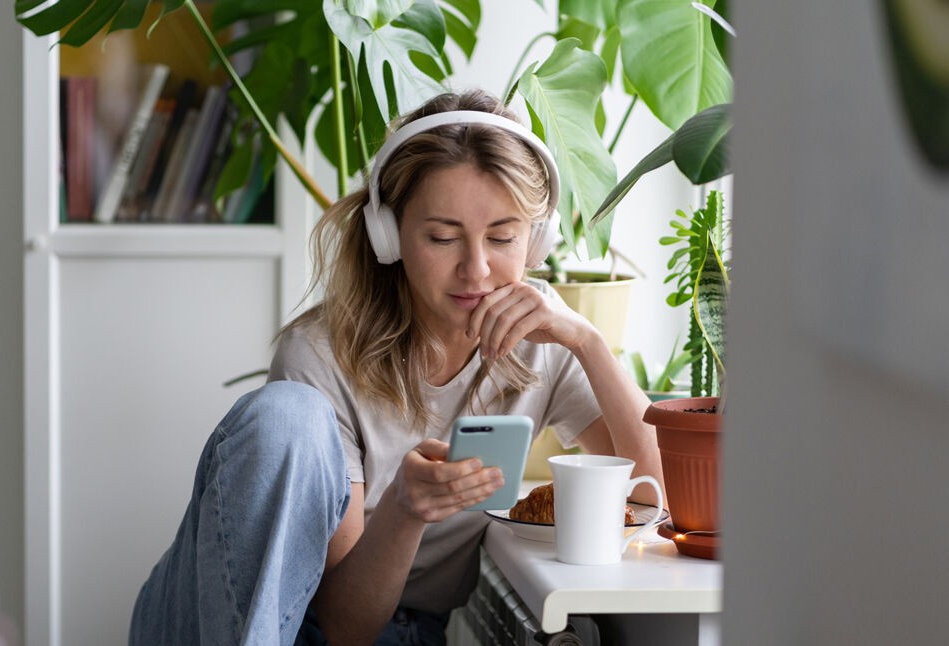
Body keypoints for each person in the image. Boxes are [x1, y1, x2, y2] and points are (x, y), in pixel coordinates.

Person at [129, 89, 665, 645]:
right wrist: (406, 510)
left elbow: (659, 495)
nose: (476, 269)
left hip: (394, 630)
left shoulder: (542, 345)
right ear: (389, 236)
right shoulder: (320, 355)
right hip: (238, 619)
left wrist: (587, 340)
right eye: (442, 237)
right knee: (286, 416)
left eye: (503, 237)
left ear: (537, 242)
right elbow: (340, 624)